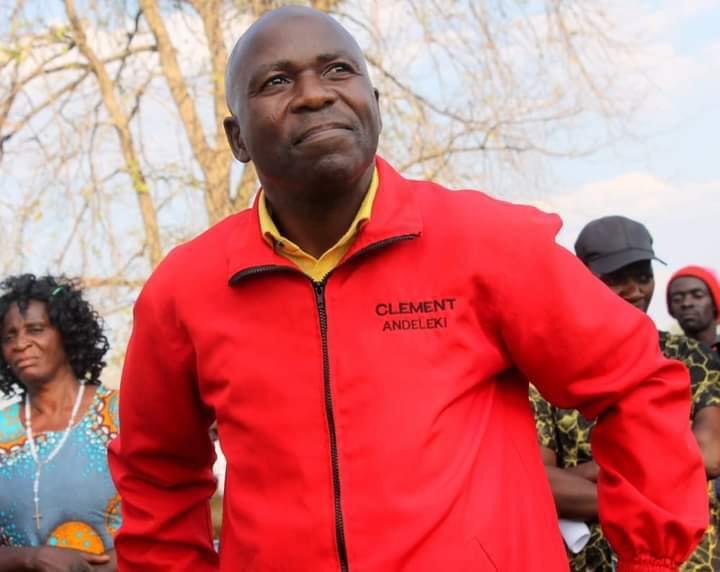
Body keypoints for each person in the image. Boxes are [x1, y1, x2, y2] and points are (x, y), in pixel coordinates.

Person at [109, 6, 708, 571]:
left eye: (337, 70)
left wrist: (650, 558)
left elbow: (636, 385)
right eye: (276, 81)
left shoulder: (487, 241)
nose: (314, 94)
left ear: (374, 104)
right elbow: (155, 472)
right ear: (237, 138)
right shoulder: (184, 291)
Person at [530, 215, 720, 571]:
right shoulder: (548, 368)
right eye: (616, 278)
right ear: (582, 278)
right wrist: (655, 490)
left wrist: (592, 475)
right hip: (589, 561)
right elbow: (535, 481)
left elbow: (710, 455)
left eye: (643, 276)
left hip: (687, 561)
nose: (635, 290)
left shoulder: (689, 357)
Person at [0, 274, 120, 572]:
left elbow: (171, 512)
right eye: (9, 336)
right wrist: (29, 558)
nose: (20, 344)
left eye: (35, 329)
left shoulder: (122, 414)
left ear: (67, 333)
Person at [668, 266, 720, 356]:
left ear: (714, 302)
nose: (686, 303)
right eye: (677, 298)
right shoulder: (666, 355)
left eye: (698, 295)